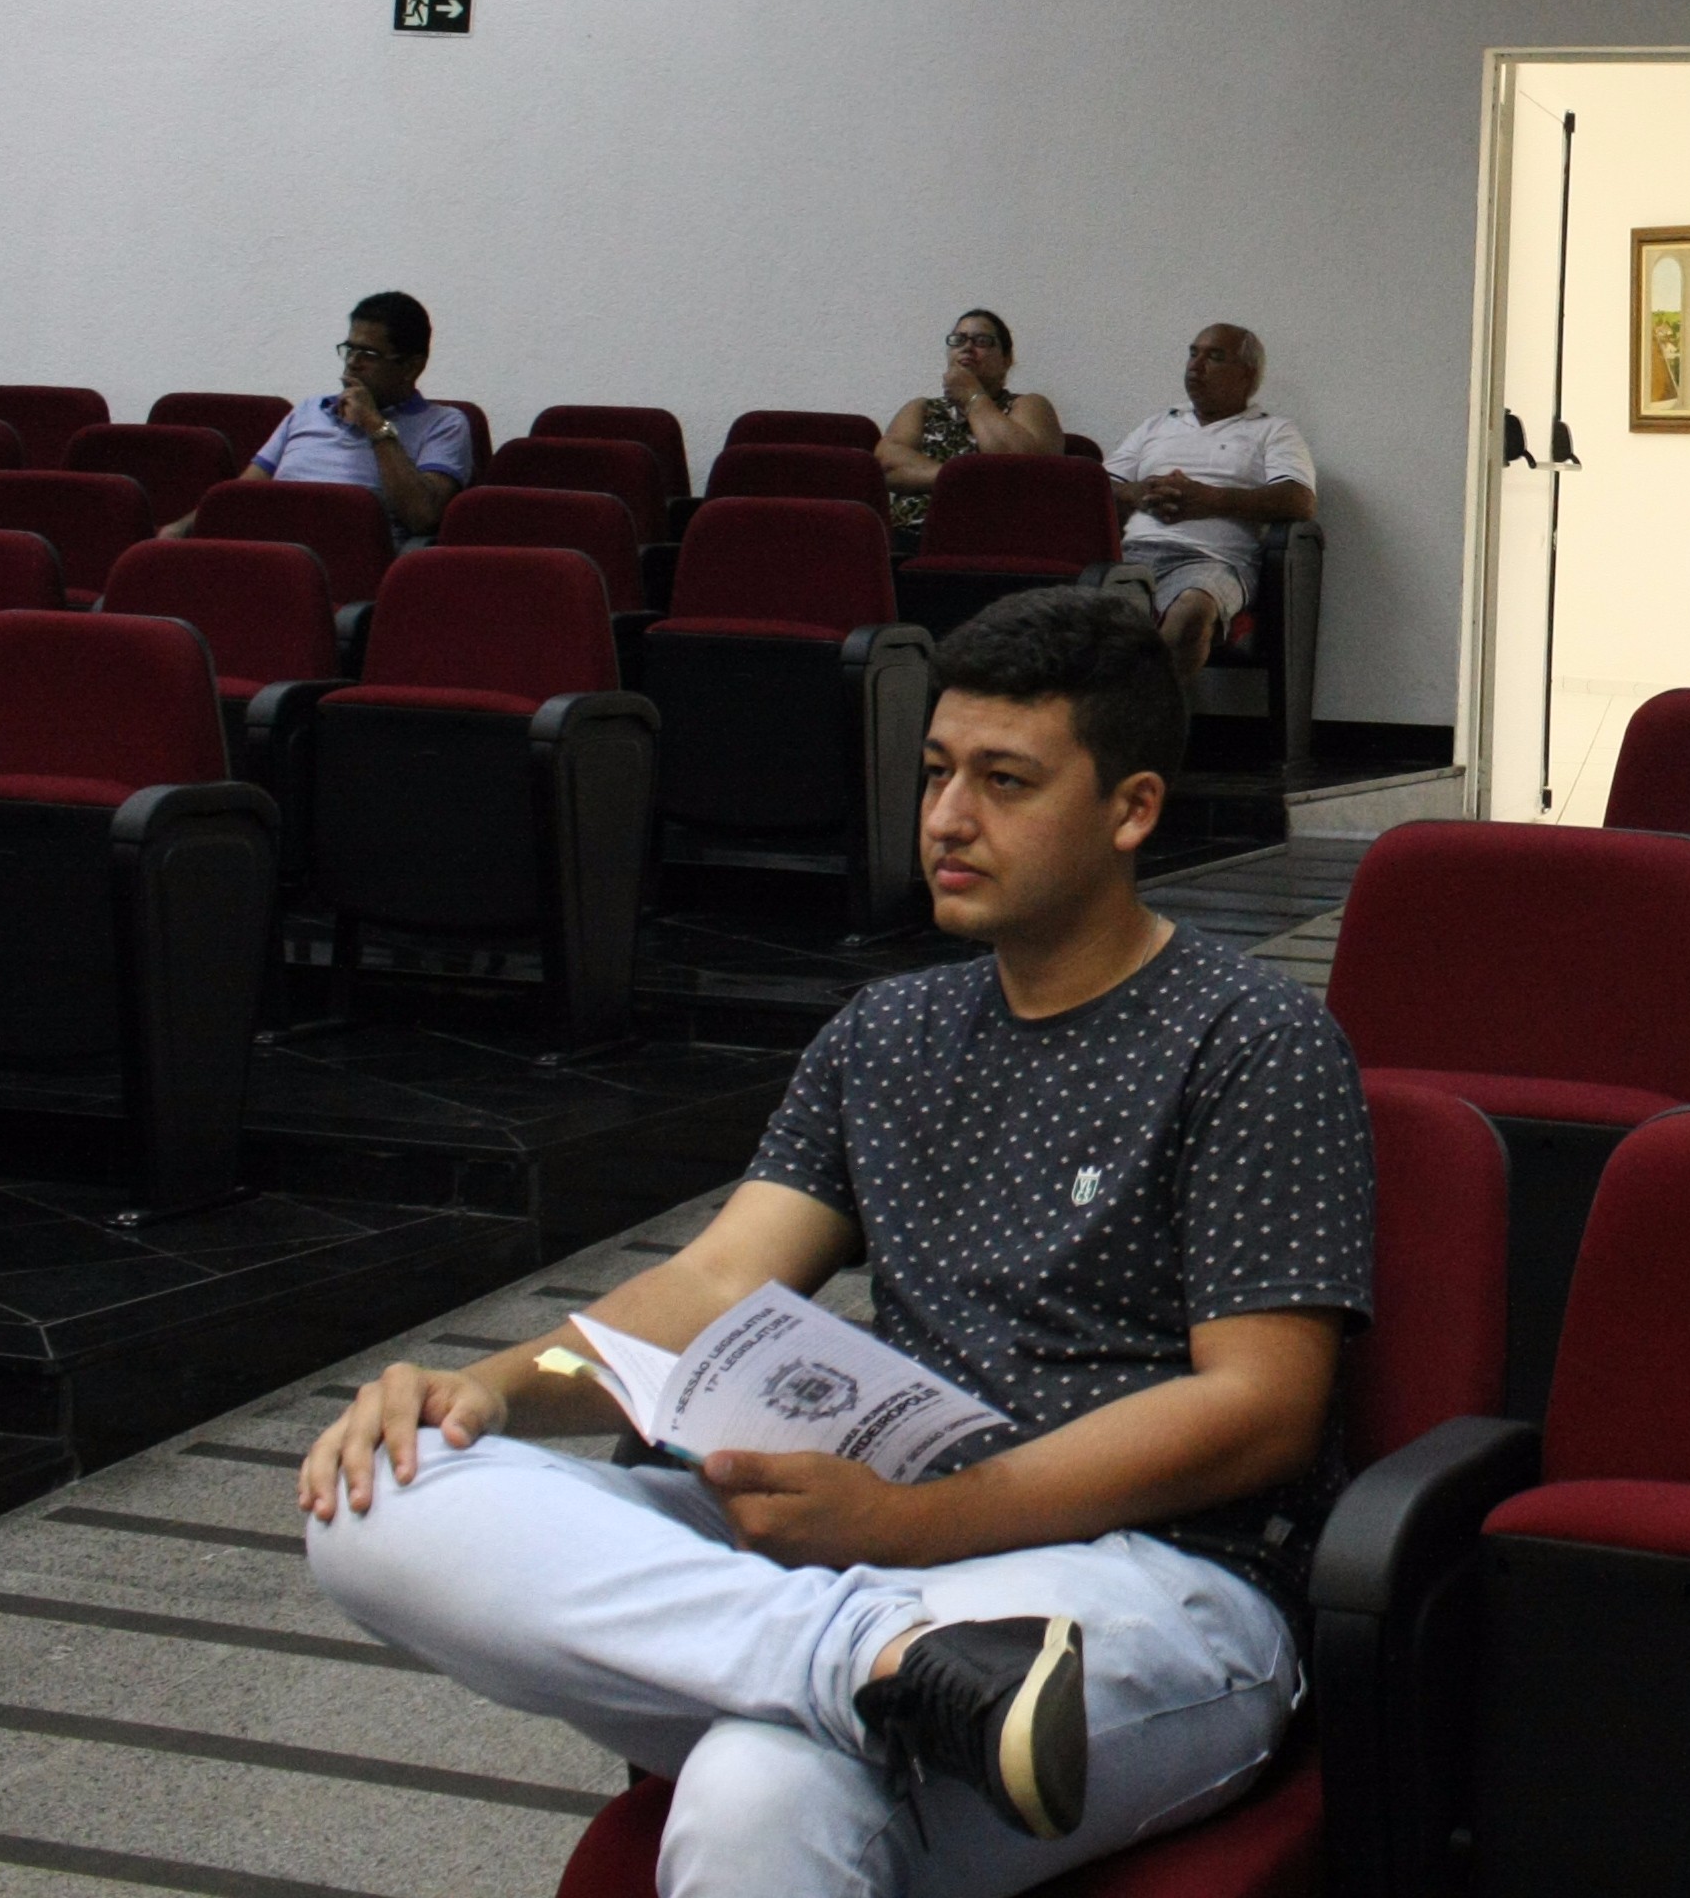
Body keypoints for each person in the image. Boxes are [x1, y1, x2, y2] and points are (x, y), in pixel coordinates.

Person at [300, 586, 1373, 1895]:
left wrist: (922, 1524)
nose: (948, 818)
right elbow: (711, 1280)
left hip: (1153, 1580)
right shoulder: (887, 1035)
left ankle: (852, 1662)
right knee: (379, 1495)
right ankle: (869, 1662)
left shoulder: (1251, 1039)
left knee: (765, 1783)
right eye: (935, 772)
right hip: (867, 1567)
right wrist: (488, 1390)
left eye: (1005, 782)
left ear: (1132, 809)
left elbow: (1262, 1409)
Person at [1099, 325, 1317, 674]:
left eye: (1214, 357)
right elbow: (1097, 486)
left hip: (1212, 561)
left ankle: (1148, 710)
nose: (1195, 366)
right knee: (1071, 615)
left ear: (1247, 374)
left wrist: (1212, 499)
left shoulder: (1273, 430)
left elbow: (1299, 501)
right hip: (1133, 555)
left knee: (1191, 615)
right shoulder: (1158, 425)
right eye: (1193, 353)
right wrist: (1136, 492)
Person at [201, 291, 474, 544]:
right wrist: (185, 528)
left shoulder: (444, 424)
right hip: (275, 554)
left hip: (356, 564)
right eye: (350, 349)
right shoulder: (309, 410)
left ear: (412, 367)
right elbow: (240, 496)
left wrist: (374, 424)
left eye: (368, 354)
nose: (352, 362)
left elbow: (422, 516)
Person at [879, 310, 1067, 552]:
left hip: (996, 544)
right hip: (912, 541)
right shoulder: (921, 409)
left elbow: (1022, 470)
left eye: (982, 341)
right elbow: (888, 466)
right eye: (958, 340)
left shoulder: (1028, 405)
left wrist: (972, 397)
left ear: (1006, 360)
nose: (967, 347)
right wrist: (963, 477)